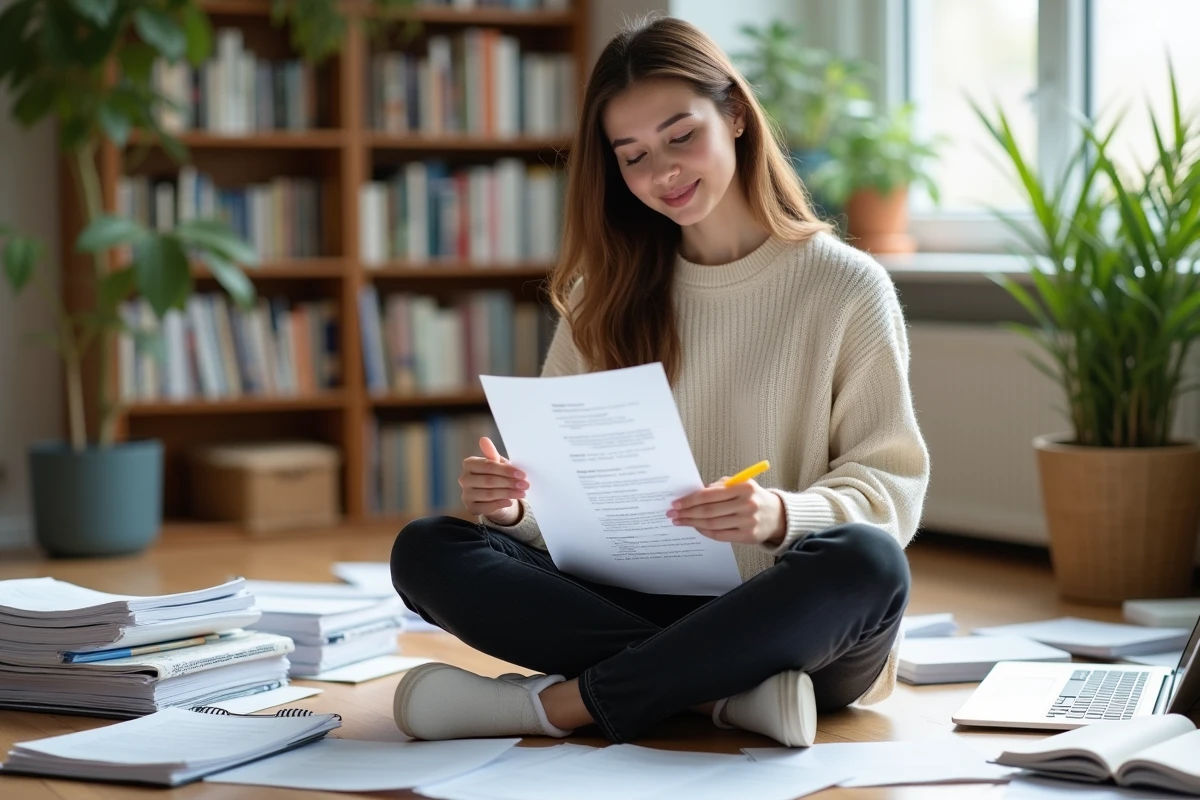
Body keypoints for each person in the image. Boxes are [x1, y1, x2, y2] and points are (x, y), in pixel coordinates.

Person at [389, 14, 930, 747]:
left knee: (868, 563)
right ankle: (721, 699)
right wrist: (516, 509)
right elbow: (562, 511)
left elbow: (888, 494)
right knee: (427, 549)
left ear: (735, 114)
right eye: (634, 155)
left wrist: (778, 516)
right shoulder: (601, 295)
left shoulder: (845, 289)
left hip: (793, 623)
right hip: (638, 605)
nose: (663, 173)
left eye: (682, 136)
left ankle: (555, 708)